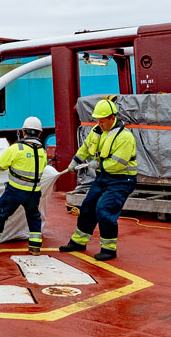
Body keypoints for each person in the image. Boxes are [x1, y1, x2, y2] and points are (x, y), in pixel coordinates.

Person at [59, 97, 138, 261]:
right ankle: (79, 241)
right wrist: (76, 160)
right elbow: (86, 148)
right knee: (87, 206)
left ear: (112, 118)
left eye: (103, 121)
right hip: (104, 177)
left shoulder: (125, 137)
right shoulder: (97, 131)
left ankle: (109, 249)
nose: (100, 124)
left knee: (104, 209)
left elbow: (118, 164)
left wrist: (98, 165)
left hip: (121, 180)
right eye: (98, 121)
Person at [0, 117, 47, 255]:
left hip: (15, 191)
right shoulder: (42, 152)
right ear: (39, 134)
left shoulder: (16, 148)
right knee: (34, 216)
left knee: (0, 214)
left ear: (23, 132)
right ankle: (35, 247)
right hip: (34, 192)